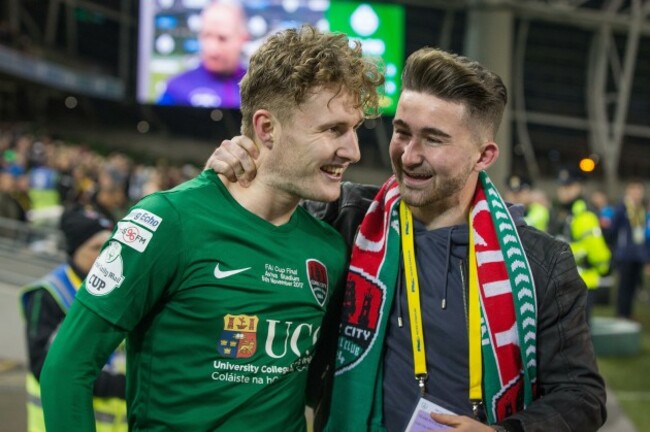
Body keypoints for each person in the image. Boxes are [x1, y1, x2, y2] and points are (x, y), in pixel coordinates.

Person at [208, 47, 607, 431]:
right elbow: (248, 228)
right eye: (402, 132)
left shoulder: (541, 263)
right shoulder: (346, 220)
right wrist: (233, 177)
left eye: (433, 139)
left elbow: (581, 395)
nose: (409, 155)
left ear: (483, 156)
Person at [40, 25, 383, 431]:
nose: (353, 151)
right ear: (266, 128)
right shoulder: (168, 221)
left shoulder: (329, 248)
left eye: (355, 129)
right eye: (333, 129)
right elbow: (66, 368)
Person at [19, 207, 126, 432]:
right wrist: (123, 386)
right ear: (74, 251)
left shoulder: (118, 290)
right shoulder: (49, 294)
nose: (106, 255)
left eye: (111, 246)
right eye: (96, 247)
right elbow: (44, 366)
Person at [157, 0, 249, 108]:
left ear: (243, 39)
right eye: (206, 36)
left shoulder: (261, 89)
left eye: (222, 39)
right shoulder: (177, 89)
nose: (212, 49)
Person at [552, 168, 611, 325]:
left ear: (579, 187)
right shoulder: (565, 211)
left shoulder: (583, 214)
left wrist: (603, 268)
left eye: (568, 186)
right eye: (561, 187)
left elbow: (597, 252)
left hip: (582, 282)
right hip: (568, 281)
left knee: (578, 338)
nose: (563, 191)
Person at [610, 178, 650, 319]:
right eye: (634, 190)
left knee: (634, 286)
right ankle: (621, 313)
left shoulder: (641, 209)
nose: (637, 193)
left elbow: (643, 234)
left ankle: (628, 312)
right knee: (624, 286)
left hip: (638, 254)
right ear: (628, 191)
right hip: (625, 254)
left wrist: (646, 257)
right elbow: (613, 230)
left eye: (639, 190)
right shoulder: (622, 208)